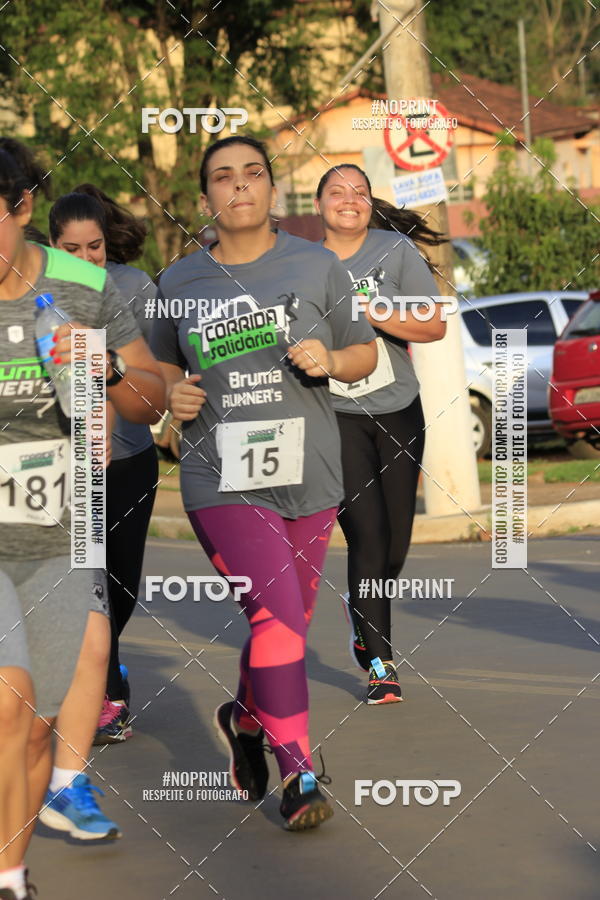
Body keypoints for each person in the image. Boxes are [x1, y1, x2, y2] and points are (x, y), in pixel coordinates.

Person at [151, 136, 377, 831]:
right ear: (206, 198)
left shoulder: (316, 264)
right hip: (220, 476)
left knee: (285, 623)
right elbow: (154, 371)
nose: (239, 187)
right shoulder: (177, 283)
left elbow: (364, 351)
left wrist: (331, 357)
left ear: (273, 189)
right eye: (223, 177)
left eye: (253, 174)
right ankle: (300, 773)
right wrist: (170, 402)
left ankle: (244, 718)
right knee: (276, 617)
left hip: (311, 473)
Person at [0, 143, 165, 898]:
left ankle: (13, 869)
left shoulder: (84, 287)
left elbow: (150, 399)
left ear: (22, 208)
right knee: (10, 704)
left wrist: (111, 371)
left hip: (64, 523)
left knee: (38, 724)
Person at [314, 163, 447, 704]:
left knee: (394, 547)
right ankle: (381, 663)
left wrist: (374, 311)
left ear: (370, 203)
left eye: (360, 192)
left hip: (397, 409)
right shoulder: (300, 262)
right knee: (366, 536)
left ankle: (361, 613)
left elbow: (433, 322)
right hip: (334, 414)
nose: (349, 199)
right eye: (337, 191)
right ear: (318, 203)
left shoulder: (394, 251)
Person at [50, 184, 160, 744]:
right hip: (70, 470)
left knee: (121, 585)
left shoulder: (134, 287)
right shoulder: (34, 295)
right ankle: (105, 693)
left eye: (94, 247)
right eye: (72, 249)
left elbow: (154, 372)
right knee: (86, 583)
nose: (86, 258)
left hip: (133, 459)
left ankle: (106, 668)